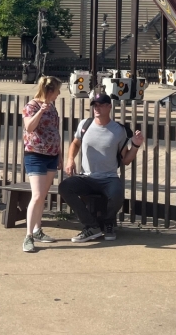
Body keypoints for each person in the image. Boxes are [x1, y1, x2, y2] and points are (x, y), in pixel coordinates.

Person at [60, 91, 144, 242]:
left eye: (101, 105)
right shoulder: (84, 125)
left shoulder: (119, 130)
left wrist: (136, 146)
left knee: (117, 194)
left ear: (109, 107)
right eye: (94, 105)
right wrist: (70, 160)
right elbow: (75, 143)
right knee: (65, 187)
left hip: (109, 178)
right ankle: (91, 226)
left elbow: (125, 160)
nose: (97, 108)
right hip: (86, 177)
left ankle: (108, 222)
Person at [20, 75, 63, 253]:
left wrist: (59, 154)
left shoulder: (53, 107)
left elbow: (54, 130)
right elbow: (29, 127)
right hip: (35, 154)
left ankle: (38, 230)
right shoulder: (31, 106)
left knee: (43, 195)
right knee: (37, 195)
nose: (59, 94)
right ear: (50, 91)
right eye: (58, 90)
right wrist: (40, 111)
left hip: (52, 155)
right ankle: (28, 236)